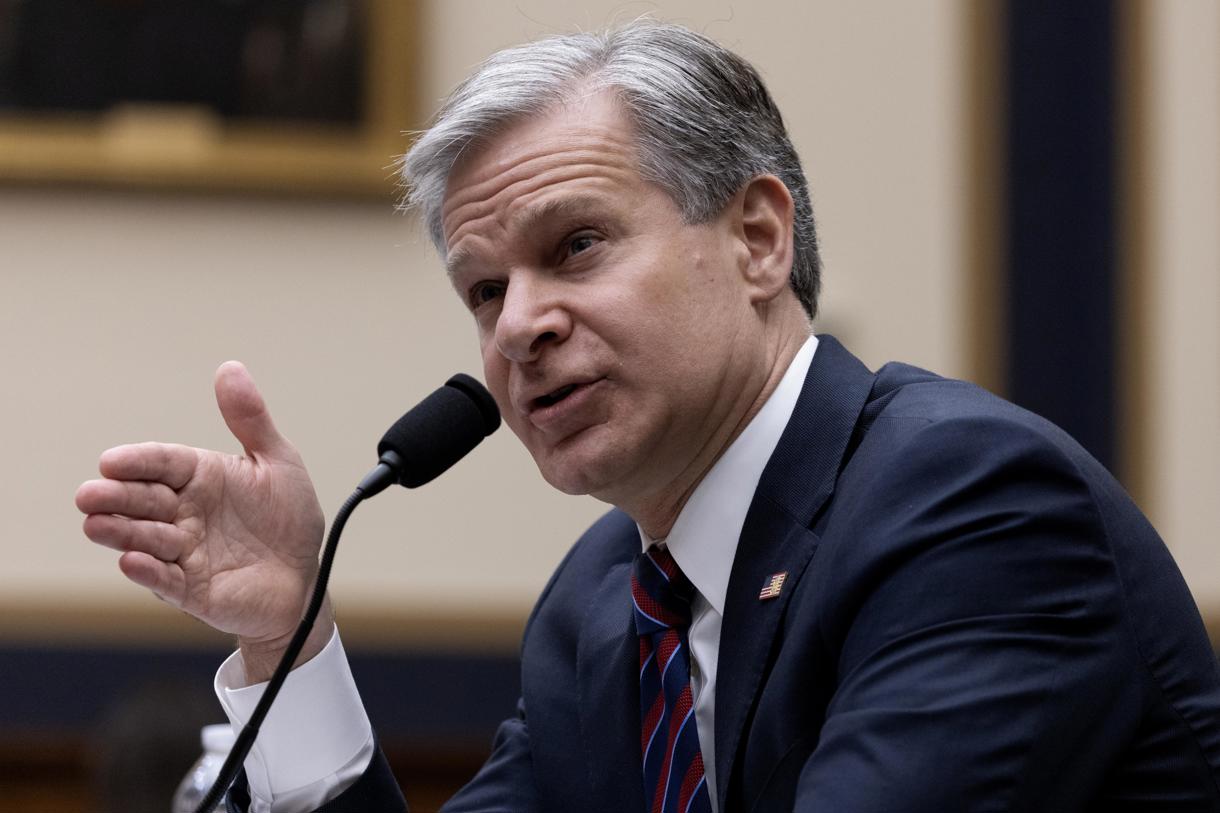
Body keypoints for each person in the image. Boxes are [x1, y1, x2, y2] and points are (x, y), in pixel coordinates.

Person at [75, 21, 1220, 813]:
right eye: (484, 291)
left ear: (758, 240)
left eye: (575, 245)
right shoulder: (597, 606)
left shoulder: (969, 509)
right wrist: (290, 638)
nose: (519, 325)